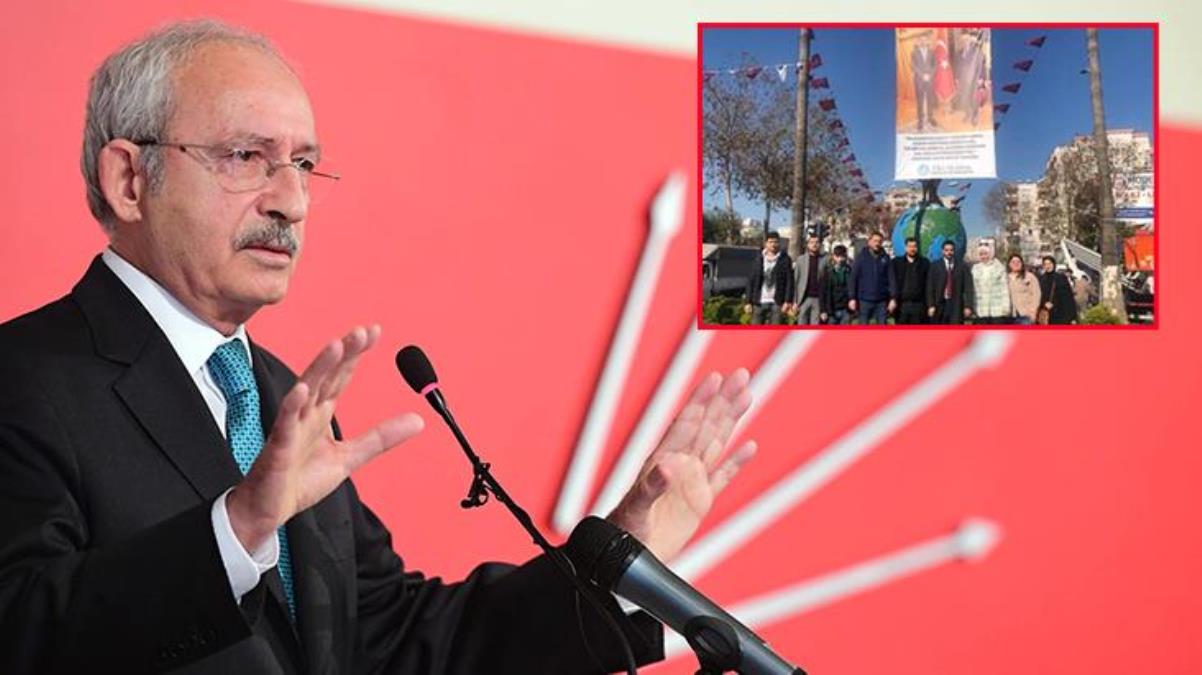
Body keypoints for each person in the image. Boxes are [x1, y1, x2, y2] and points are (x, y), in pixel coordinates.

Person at [0, 21, 761, 674]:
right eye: (244, 157)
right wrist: (234, 530)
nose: (290, 201)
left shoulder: (279, 396)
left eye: (303, 164)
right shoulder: (23, 379)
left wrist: (623, 561)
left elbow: (396, 640)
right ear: (130, 180)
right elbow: (20, 629)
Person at [744, 231, 793, 325]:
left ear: (779, 243)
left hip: (777, 302)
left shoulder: (785, 259)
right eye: (770, 242)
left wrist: (787, 301)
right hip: (759, 301)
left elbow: (789, 282)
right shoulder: (758, 258)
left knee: (774, 331)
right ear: (765, 243)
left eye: (775, 242)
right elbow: (751, 281)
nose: (773, 244)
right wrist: (748, 302)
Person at [849, 231, 897, 325]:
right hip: (864, 300)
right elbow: (853, 278)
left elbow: (891, 279)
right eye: (875, 241)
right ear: (869, 242)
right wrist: (852, 298)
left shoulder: (886, 258)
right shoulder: (861, 257)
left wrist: (893, 298)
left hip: (881, 301)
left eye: (879, 241)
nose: (877, 244)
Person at [925, 240, 974, 324]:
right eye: (946, 250)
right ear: (942, 251)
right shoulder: (935, 266)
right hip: (939, 304)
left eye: (951, 250)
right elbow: (930, 287)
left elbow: (968, 287)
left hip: (956, 305)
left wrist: (968, 306)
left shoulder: (962, 266)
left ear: (954, 251)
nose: (949, 252)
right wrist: (930, 305)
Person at [890, 237, 930, 325]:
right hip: (902, 305)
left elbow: (929, 285)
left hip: (919, 305)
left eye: (914, 246)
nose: (912, 249)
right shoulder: (896, 263)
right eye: (910, 246)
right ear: (905, 248)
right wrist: (892, 299)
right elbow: (892, 282)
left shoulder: (925, 263)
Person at [790, 233, 827, 326]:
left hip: (818, 299)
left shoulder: (825, 260)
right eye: (811, 242)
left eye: (817, 242)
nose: (814, 244)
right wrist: (795, 301)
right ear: (807, 244)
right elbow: (795, 281)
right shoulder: (800, 260)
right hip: (803, 298)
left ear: (820, 244)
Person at [970, 242, 1011, 324]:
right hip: (980, 308)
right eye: (981, 254)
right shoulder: (975, 269)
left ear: (991, 254)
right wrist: (972, 307)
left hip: (997, 309)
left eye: (986, 254)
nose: (984, 257)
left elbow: (1005, 289)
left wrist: (1006, 306)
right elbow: (973, 289)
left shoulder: (999, 268)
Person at [1038, 257, 1078, 325]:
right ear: (1043, 266)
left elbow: (1069, 297)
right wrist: (1044, 303)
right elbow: (1038, 295)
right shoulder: (1041, 279)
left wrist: (1073, 317)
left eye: (1050, 263)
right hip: (1048, 313)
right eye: (1045, 264)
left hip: (1062, 312)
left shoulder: (1061, 278)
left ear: (1054, 264)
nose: (1048, 266)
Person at [910, 34, 938, 131]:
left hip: (930, 80)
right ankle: (920, 121)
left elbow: (935, 64)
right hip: (919, 80)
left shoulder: (931, 52)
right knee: (920, 101)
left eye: (925, 40)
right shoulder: (914, 52)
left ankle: (930, 118)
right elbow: (913, 65)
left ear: (928, 41)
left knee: (930, 100)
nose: (923, 41)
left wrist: (930, 75)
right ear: (919, 41)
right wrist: (922, 75)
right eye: (921, 40)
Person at [820, 244, 852, 325]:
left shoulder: (849, 270)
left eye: (842, 256)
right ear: (834, 256)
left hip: (845, 309)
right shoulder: (827, 272)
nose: (840, 259)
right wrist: (823, 310)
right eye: (838, 256)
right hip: (831, 310)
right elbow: (823, 292)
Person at [1006, 253, 1040, 325]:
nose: (1016, 264)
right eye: (1013, 262)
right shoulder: (1005, 278)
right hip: (1010, 314)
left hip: (1026, 314)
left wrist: (1033, 311)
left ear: (1022, 263)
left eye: (1018, 262)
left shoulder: (1029, 277)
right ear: (1009, 264)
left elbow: (1036, 294)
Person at [933, 35, 956, 114]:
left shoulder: (938, 51)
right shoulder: (940, 50)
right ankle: (946, 109)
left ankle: (946, 109)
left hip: (943, 75)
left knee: (944, 91)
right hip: (943, 76)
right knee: (945, 91)